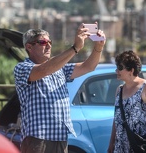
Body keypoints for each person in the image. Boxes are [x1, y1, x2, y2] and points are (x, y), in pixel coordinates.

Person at [14, 23, 106, 153]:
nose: (49, 45)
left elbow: (88, 67)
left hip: (60, 137)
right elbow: (44, 70)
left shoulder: (59, 68)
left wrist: (98, 47)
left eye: (49, 42)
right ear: (29, 47)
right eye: (43, 42)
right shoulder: (22, 68)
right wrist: (75, 48)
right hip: (38, 137)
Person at [107, 50, 146, 153]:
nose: (117, 71)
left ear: (131, 70)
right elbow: (116, 120)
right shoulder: (119, 90)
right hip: (121, 147)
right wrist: (111, 143)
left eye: (120, 68)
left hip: (140, 146)